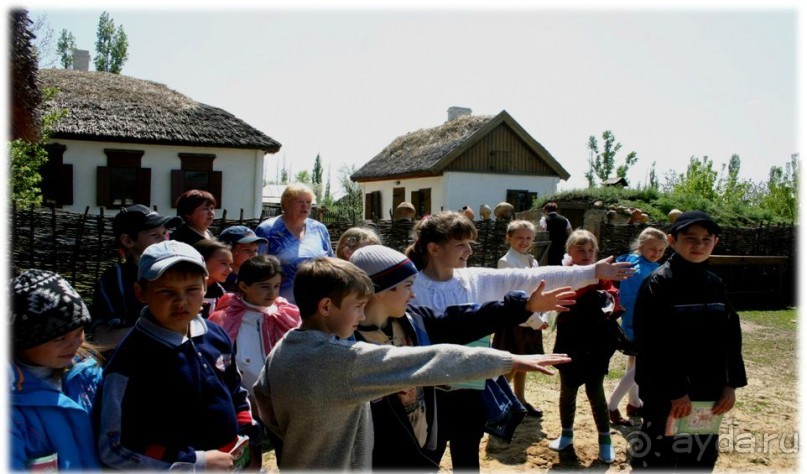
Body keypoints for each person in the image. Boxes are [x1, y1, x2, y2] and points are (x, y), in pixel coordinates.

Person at [251, 256, 572, 470]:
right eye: (358, 306)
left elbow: (263, 398)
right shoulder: (342, 360)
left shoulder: (286, 346)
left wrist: (295, 443)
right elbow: (431, 361)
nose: (362, 313)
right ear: (325, 307)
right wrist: (507, 360)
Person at [406, 211, 634, 470]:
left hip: (471, 388)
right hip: (427, 394)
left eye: (470, 243)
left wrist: (592, 271)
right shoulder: (409, 288)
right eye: (460, 244)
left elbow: (528, 278)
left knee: (467, 457)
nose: (469, 250)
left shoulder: (473, 279)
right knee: (425, 459)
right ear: (434, 248)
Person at [349, 245, 575, 470]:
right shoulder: (348, 346)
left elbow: (464, 320)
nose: (414, 294)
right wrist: (508, 361)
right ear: (380, 290)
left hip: (419, 449)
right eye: (407, 286)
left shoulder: (413, 322)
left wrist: (523, 307)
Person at [98, 241, 255, 470]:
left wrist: (250, 439)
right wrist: (196, 463)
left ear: (205, 286)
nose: (181, 301)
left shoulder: (215, 335)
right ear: (140, 292)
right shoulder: (130, 362)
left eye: (191, 290)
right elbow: (114, 447)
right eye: (167, 292)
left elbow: (235, 391)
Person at [631, 211, 747, 470]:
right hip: (667, 396)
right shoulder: (659, 283)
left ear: (715, 242)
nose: (699, 245)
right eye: (690, 238)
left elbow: (730, 338)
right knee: (658, 459)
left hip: (708, 394)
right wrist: (675, 392)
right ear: (673, 241)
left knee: (699, 459)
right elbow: (652, 345)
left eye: (706, 239)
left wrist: (730, 385)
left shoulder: (715, 284)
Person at [11, 269, 105, 471]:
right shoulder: (13, 409)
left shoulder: (87, 375)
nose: (75, 344)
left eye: (79, 332)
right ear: (22, 341)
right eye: (60, 338)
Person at [547, 229, 622, 464]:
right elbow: (560, 296)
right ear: (569, 251)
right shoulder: (563, 274)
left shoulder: (602, 275)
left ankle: (605, 440)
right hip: (570, 339)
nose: (587, 254)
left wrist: (608, 298)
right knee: (568, 389)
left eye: (591, 250)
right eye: (580, 249)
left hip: (596, 341)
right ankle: (566, 434)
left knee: (595, 389)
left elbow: (613, 295)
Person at [90, 204, 181, 350]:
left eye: (165, 233)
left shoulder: (179, 273)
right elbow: (102, 338)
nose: (164, 240)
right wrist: (161, 332)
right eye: (154, 235)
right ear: (128, 241)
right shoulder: (116, 279)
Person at [209, 254, 300, 400]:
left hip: (285, 397)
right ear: (244, 286)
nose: (272, 293)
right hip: (245, 398)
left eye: (276, 286)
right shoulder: (225, 318)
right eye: (264, 287)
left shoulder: (287, 314)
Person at [607, 227, 668, 426]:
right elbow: (633, 300)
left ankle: (634, 403)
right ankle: (612, 405)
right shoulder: (639, 270)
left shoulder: (641, 264)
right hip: (642, 325)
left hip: (639, 324)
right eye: (652, 249)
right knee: (642, 365)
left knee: (634, 363)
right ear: (641, 246)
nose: (656, 253)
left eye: (661, 250)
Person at [493, 219, 548, 418]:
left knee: (524, 364)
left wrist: (543, 315)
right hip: (515, 321)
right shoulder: (506, 262)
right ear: (508, 238)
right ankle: (499, 406)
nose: (524, 242)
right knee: (510, 365)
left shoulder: (531, 261)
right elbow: (515, 297)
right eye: (519, 238)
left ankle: (520, 399)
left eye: (528, 238)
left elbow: (536, 291)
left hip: (530, 319)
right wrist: (535, 320)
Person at [255, 183, 334, 304]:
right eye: (300, 202)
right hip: (280, 304)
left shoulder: (319, 229)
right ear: (286, 204)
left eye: (308, 202)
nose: (305, 206)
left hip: (317, 302)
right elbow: (256, 268)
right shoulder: (268, 230)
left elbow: (331, 261)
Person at [217, 225, 268, 292]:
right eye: (247, 250)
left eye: (255, 250)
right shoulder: (219, 280)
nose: (253, 255)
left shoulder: (254, 279)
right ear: (229, 250)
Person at [193, 239, 233, 319]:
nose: (230, 269)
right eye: (224, 263)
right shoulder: (183, 290)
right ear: (203, 261)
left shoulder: (221, 294)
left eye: (230, 264)